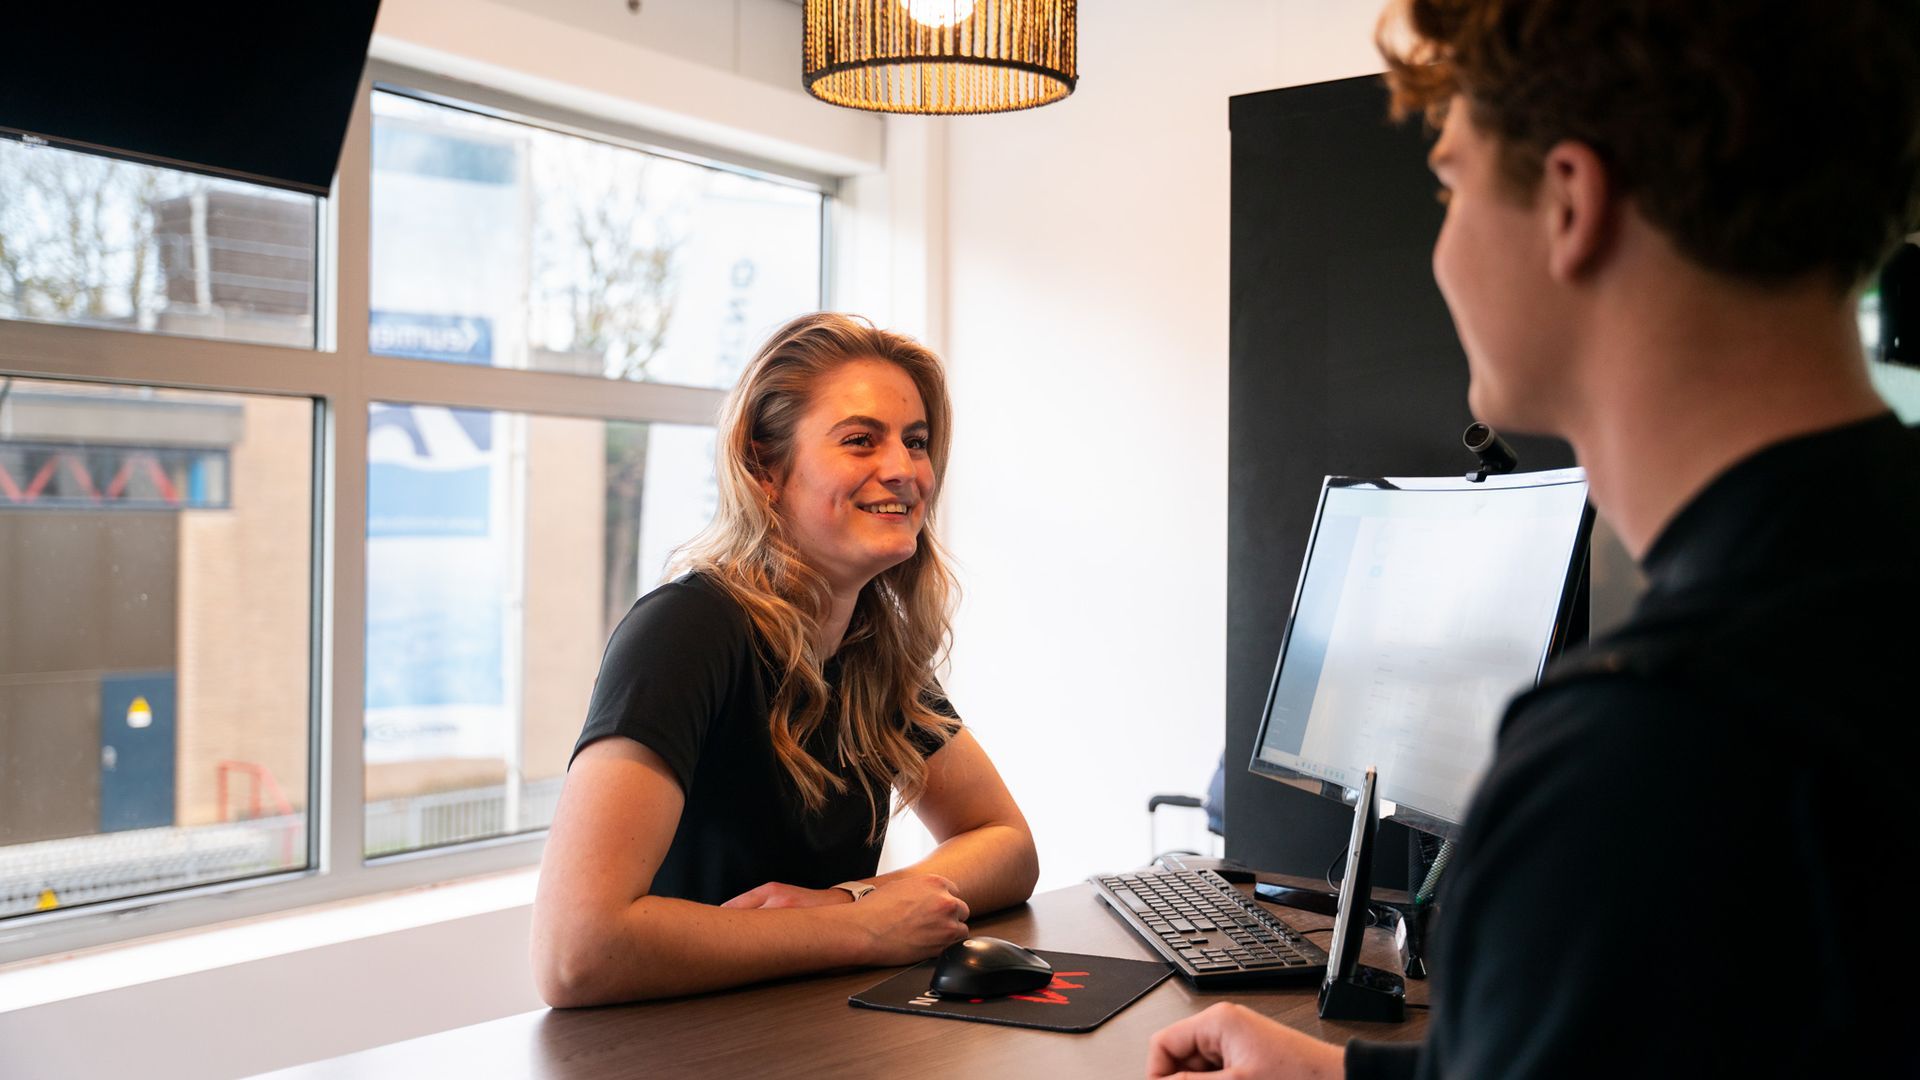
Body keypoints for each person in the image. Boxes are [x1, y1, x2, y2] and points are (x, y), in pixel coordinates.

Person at [1149, 0, 1920, 1076]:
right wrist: (1337, 1069)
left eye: (1450, 186)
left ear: (1570, 203)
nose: (1441, 252)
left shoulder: (1645, 760)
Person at [531, 312, 1039, 1007]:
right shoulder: (686, 631)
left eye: (915, 442)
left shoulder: (869, 644)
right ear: (764, 468)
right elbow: (576, 952)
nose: (903, 471)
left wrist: (847, 898)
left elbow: (1005, 841)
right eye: (860, 440)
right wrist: (862, 929)